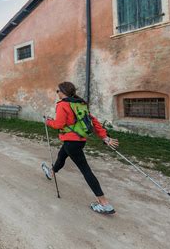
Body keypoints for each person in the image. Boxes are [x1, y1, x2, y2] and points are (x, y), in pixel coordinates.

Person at [41, 82, 119, 215]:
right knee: (62, 155)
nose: (57, 93)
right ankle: (51, 172)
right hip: (79, 140)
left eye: (57, 91)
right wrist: (104, 137)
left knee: (85, 170)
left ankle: (104, 203)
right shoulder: (80, 103)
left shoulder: (62, 105)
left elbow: (59, 124)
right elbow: (92, 121)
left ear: (63, 92)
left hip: (71, 140)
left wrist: (47, 121)